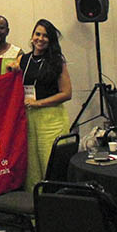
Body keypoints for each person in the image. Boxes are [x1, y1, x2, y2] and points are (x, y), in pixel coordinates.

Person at [11, 19, 72, 192]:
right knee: (31, 169)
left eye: (45, 36)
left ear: (51, 40)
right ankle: (34, 214)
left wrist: (38, 103)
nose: (41, 38)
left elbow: (66, 93)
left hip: (51, 118)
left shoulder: (57, 61)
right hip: (29, 118)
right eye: (38, 34)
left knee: (50, 165)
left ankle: (54, 209)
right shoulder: (23, 59)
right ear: (32, 36)